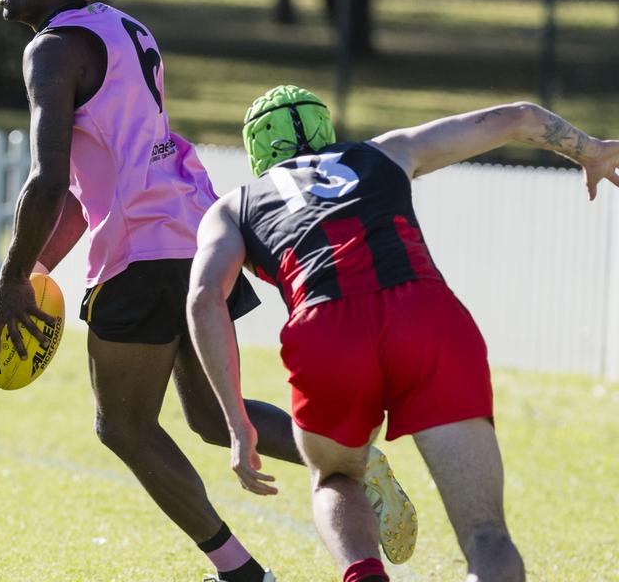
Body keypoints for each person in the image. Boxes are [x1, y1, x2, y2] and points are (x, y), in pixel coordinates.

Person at [0, 0, 414, 582]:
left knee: (121, 426)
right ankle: (354, 451)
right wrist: (36, 264)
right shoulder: (123, 28)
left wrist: (13, 282)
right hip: (198, 230)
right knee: (215, 417)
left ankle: (240, 572)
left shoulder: (52, 50)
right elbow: (75, 191)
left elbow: (46, 180)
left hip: (143, 250)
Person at [187, 84, 619, 582]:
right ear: (326, 130)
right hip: (424, 313)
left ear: (256, 152)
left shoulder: (233, 207)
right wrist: (590, 150)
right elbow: (518, 116)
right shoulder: (384, 152)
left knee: (335, 475)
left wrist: (239, 424)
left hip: (328, 330)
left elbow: (203, 299)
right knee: (486, 533)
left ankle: (365, 573)